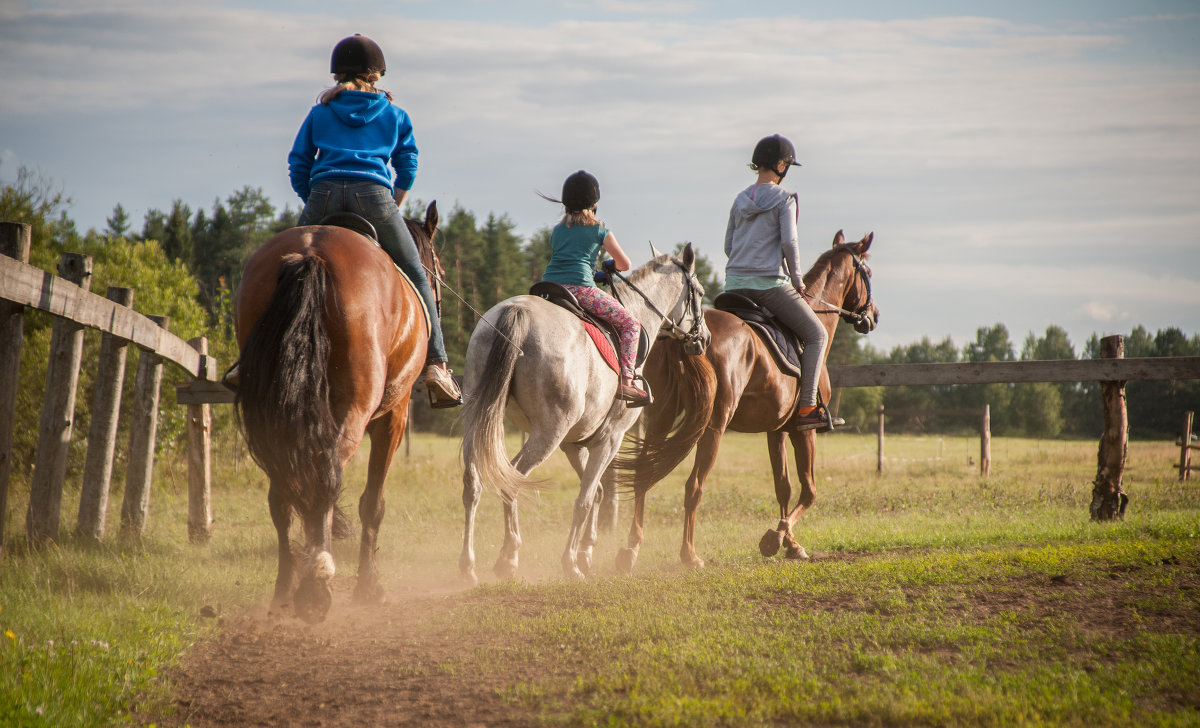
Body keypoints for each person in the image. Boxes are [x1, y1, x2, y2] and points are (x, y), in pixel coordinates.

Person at [287, 34, 461, 407]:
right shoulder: (395, 115)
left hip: (324, 194)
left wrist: (314, 198)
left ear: (337, 74)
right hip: (375, 198)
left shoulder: (319, 113)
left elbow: (298, 163)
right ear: (376, 75)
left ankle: (251, 356)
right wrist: (394, 202)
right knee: (417, 273)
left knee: (283, 270)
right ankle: (437, 366)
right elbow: (407, 164)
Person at [724, 134, 830, 429]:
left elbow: (728, 246)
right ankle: (808, 406)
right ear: (782, 165)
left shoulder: (739, 199)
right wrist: (797, 281)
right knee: (816, 335)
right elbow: (789, 245)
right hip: (769, 286)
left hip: (732, 286)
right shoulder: (786, 199)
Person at [540, 170, 649, 406]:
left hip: (548, 286)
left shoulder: (557, 231)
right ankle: (628, 381)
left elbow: (567, 256)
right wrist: (606, 267)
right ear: (594, 204)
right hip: (580, 289)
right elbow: (624, 264)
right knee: (631, 324)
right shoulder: (600, 230)